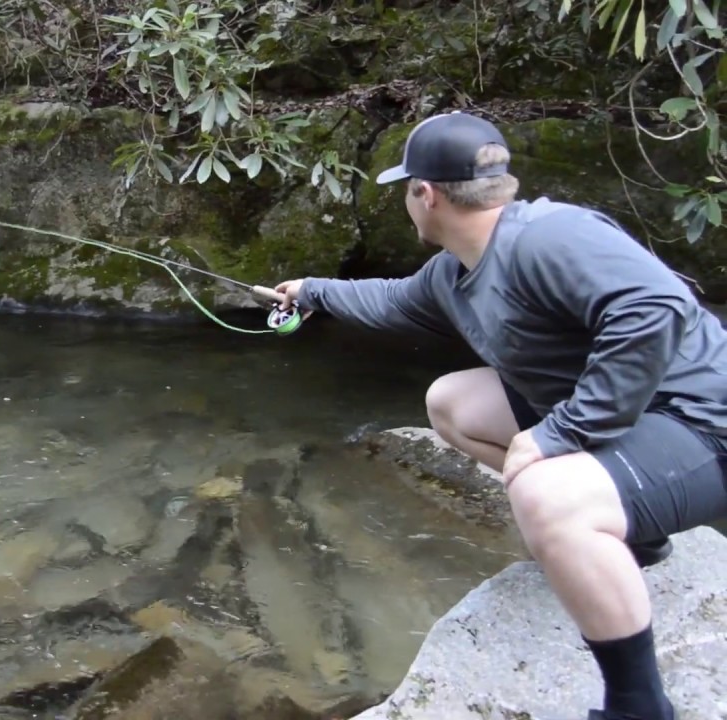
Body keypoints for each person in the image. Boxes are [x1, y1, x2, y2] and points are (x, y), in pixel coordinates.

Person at [272, 111, 727, 720]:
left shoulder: (548, 235)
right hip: (636, 422)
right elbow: (388, 299)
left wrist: (565, 432)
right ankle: (634, 536)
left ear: (425, 194)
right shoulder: (455, 270)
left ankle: (639, 706)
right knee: (451, 403)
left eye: (406, 190)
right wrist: (311, 292)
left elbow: (656, 309)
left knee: (544, 491)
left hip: (701, 425)